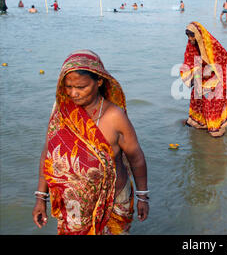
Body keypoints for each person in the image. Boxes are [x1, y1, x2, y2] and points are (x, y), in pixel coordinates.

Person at [32, 50, 149, 234]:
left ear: (99, 81)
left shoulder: (114, 117)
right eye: (68, 87)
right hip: (74, 208)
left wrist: (143, 197)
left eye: (81, 87)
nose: (74, 93)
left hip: (113, 204)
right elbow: (48, 154)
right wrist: (41, 198)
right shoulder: (61, 113)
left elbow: (136, 158)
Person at [180, 22, 227, 137]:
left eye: (191, 36)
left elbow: (224, 57)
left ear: (197, 35)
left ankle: (215, 127)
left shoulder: (211, 44)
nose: (190, 39)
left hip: (215, 76)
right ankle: (200, 122)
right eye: (188, 36)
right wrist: (194, 77)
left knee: (212, 100)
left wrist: (222, 79)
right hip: (202, 75)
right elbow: (190, 61)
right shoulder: (192, 45)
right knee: (196, 96)